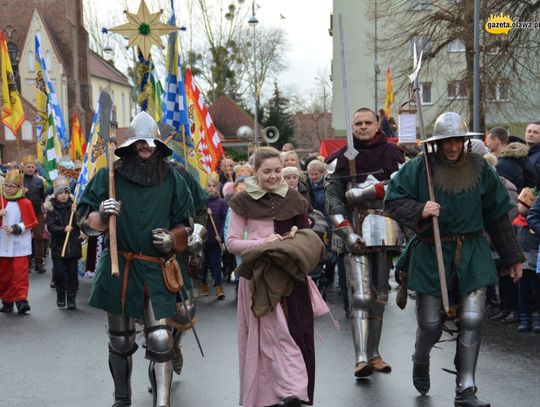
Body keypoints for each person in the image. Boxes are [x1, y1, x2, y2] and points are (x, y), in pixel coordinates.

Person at [384, 112, 524, 407]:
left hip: (472, 251)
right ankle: (420, 358)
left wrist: (513, 257)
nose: (452, 147)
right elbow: (393, 200)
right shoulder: (418, 168)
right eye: (447, 141)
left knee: (472, 319)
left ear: (465, 140)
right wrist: (420, 209)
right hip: (431, 252)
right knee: (431, 325)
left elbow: (497, 215)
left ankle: (466, 389)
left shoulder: (481, 169)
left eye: (457, 140)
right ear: (438, 142)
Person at [77, 111, 194, 407]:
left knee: (161, 340)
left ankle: (162, 403)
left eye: (152, 143)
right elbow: (84, 225)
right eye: (141, 142)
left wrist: (172, 238)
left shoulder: (173, 178)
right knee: (120, 340)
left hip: (157, 268)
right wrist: (101, 215)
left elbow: (189, 223)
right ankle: (122, 398)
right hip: (121, 266)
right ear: (130, 146)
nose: (147, 147)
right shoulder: (108, 176)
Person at [227, 146, 326, 407]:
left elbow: (307, 236)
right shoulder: (242, 201)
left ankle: (294, 391)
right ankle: (271, 394)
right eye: (267, 171)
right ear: (255, 172)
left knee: (295, 334)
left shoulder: (293, 198)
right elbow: (232, 243)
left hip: (291, 277)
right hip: (259, 280)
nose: (273, 176)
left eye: (277, 171)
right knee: (269, 339)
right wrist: (262, 243)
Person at [325, 107, 405, 377]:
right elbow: (333, 200)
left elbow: (403, 191)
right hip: (355, 228)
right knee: (361, 297)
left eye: (367, 122)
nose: (362, 127)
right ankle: (360, 358)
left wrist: (368, 192)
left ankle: (375, 353)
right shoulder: (340, 159)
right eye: (357, 123)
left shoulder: (395, 154)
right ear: (351, 126)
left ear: (376, 124)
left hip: (386, 229)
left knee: (380, 298)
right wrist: (345, 230)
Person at [0, 170, 38, 314]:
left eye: (12, 186)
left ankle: (21, 301)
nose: (8, 189)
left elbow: (30, 222)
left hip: (19, 244)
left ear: (19, 187)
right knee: (5, 275)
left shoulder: (25, 202)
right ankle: (7, 301)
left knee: (19, 273)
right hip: (3, 244)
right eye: (6, 185)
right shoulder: (0, 201)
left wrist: (15, 228)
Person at [45, 176, 82, 309]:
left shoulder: (74, 206)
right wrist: (62, 229)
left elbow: (81, 223)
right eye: (61, 193)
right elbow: (50, 226)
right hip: (58, 247)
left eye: (66, 193)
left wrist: (77, 212)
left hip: (72, 246)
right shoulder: (51, 208)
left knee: (72, 274)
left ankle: (71, 298)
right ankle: (61, 295)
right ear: (56, 194)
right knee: (60, 273)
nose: (64, 196)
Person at [199, 175, 228, 299]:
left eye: (214, 186)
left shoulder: (222, 203)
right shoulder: (202, 202)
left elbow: (225, 220)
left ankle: (218, 287)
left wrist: (220, 235)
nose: (211, 188)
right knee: (203, 264)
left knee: (216, 263)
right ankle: (203, 284)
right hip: (203, 239)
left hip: (215, 239)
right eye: (209, 186)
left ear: (218, 188)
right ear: (205, 188)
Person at [21, 154, 47, 273]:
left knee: (39, 238)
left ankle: (39, 263)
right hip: (23, 214)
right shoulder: (19, 180)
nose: (30, 168)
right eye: (28, 166)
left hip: (37, 213)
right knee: (24, 238)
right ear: (23, 167)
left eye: (32, 167)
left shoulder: (39, 181)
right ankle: (27, 263)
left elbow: (42, 197)